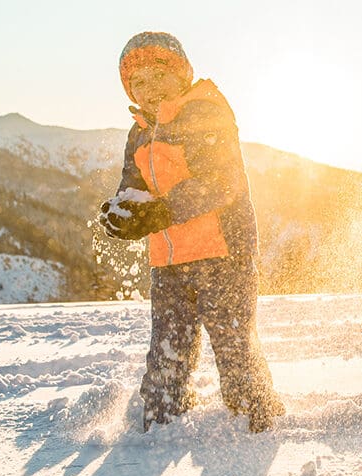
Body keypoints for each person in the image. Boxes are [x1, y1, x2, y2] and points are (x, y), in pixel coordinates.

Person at [99, 32, 283, 433]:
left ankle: (256, 421)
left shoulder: (204, 111)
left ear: (181, 74)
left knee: (234, 347)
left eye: (158, 75)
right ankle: (161, 423)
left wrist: (160, 212)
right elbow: (134, 189)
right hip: (168, 262)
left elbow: (221, 181)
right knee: (167, 352)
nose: (149, 89)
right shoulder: (140, 132)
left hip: (222, 254)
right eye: (138, 83)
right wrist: (124, 214)